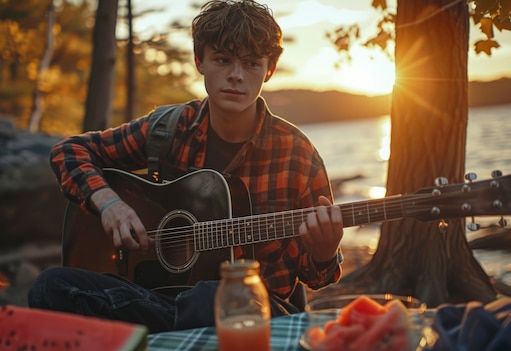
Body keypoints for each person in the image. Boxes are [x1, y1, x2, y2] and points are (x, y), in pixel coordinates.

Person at [28, 0, 344, 333]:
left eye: (251, 63)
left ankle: (152, 332)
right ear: (200, 61)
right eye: (223, 60)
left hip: (259, 312)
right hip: (155, 298)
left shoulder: (298, 155)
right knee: (50, 285)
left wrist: (324, 253)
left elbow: (317, 278)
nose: (236, 75)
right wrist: (110, 205)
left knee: (210, 297)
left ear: (269, 69)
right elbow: (70, 151)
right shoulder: (169, 129)